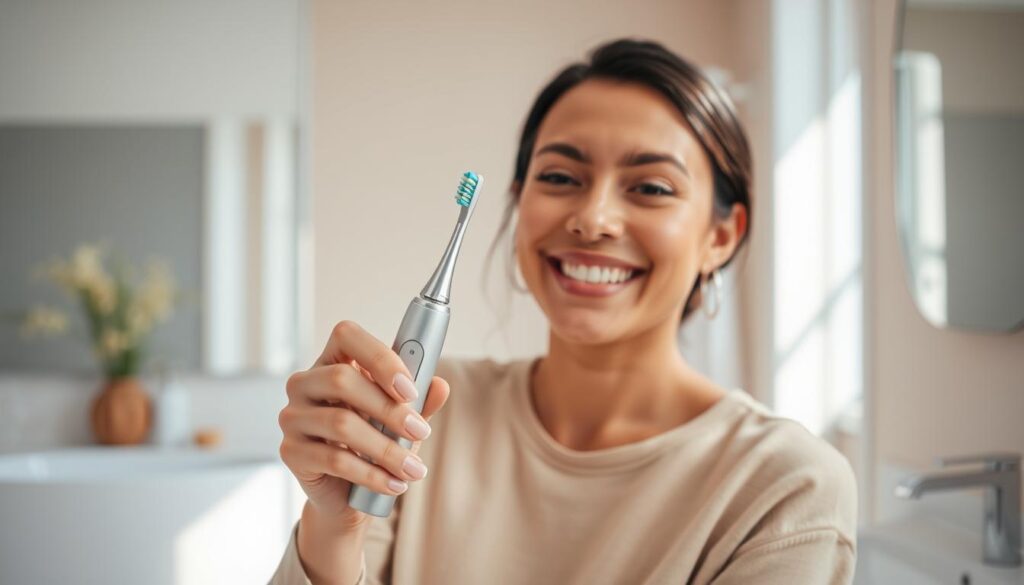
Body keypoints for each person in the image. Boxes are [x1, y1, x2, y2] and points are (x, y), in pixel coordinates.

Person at [270, 38, 857, 585]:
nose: (592, 218)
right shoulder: (418, 412)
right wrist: (334, 527)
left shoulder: (785, 487)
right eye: (559, 176)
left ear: (721, 235)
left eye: (651, 187)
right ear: (518, 202)